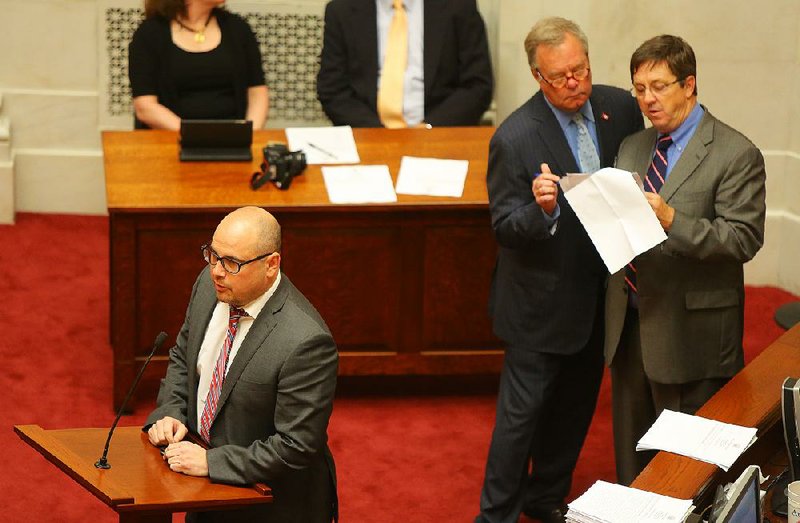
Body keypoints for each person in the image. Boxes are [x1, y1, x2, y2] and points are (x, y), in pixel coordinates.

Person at [476, 17, 643, 523]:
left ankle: (546, 498)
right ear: (537, 77)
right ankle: (496, 514)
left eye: (580, 70)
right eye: (560, 77)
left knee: (574, 412)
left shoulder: (620, 107)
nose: (575, 83)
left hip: (601, 299)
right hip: (539, 306)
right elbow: (504, 227)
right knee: (518, 423)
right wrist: (543, 210)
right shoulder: (515, 137)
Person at [606, 34, 766, 485]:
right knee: (633, 468)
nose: (647, 99)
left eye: (659, 86)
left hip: (692, 335)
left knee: (688, 474)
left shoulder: (736, 153)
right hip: (630, 326)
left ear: (689, 84)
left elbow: (743, 239)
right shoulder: (633, 147)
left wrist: (671, 218)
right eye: (639, 89)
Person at [144, 206, 338, 522]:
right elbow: (184, 356)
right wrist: (170, 411)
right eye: (213, 255)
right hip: (204, 490)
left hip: (269, 504)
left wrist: (213, 463)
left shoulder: (305, 342)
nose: (217, 271)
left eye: (232, 263)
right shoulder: (210, 288)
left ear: (271, 264)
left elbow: (296, 446)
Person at [316, 0, 493, 128]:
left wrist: (429, 128)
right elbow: (333, 90)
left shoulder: (459, 6)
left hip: (438, 132)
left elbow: (477, 86)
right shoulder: (342, 10)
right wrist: (378, 132)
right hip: (368, 132)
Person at [128, 0, 268, 130]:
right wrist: (194, 135)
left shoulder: (238, 28)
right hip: (171, 137)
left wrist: (249, 134)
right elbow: (145, 107)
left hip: (233, 138)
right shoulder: (149, 33)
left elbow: (257, 92)